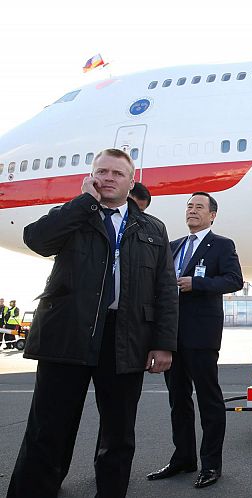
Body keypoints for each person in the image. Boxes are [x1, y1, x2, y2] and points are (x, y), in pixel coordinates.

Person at [8, 148, 178, 498]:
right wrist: (83, 202)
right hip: (68, 332)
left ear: (132, 182)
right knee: (48, 428)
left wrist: (163, 343)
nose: (108, 178)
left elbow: (165, 289)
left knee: (118, 433)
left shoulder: (152, 228)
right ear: (91, 176)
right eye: (101, 171)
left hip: (125, 336)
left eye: (117, 173)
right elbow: (36, 240)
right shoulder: (75, 215)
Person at [147, 192, 243, 488]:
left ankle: (211, 465)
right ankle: (183, 458)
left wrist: (197, 283)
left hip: (201, 336)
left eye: (199, 207)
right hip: (171, 337)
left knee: (208, 400)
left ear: (212, 215)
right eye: (189, 206)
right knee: (178, 400)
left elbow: (234, 280)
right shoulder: (173, 246)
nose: (192, 210)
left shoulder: (222, 245)